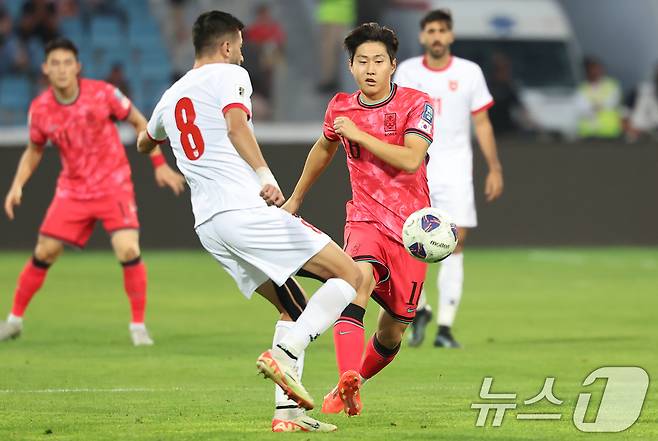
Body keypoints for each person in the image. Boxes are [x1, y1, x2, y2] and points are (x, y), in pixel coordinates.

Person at [136, 10, 362, 432]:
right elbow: (237, 126)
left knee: (293, 307)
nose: (243, 54)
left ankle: (287, 415)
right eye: (239, 45)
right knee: (351, 275)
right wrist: (265, 177)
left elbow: (144, 140)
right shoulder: (229, 77)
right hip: (245, 210)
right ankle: (284, 353)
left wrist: (166, 150)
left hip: (210, 226)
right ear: (225, 46)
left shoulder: (172, 95)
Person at [282, 22, 435, 416]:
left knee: (394, 329)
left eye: (378, 61)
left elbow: (411, 158)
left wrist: (360, 135)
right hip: (365, 220)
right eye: (362, 61)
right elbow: (323, 148)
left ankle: (348, 385)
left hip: (411, 230)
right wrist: (295, 197)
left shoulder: (417, 103)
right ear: (350, 66)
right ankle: (348, 374)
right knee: (357, 280)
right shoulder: (340, 106)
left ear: (393, 66)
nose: (370, 68)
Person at [0, 38, 186, 346]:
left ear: (77, 67)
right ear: (46, 69)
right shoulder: (41, 109)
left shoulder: (102, 94)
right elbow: (34, 150)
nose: (61, 69)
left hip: (113, 184)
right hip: (72, 189)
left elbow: (140, 121)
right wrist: (17, 184)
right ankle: (14, 321)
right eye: (55, 64)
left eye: (67, 63)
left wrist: (158, 164)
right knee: (45, 251)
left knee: (127, 249)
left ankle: (138, 326)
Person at [394, 9, 504, 348]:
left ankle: (444, 327)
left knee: (456, 243)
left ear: (451, 36)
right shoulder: (408, 72)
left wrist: (494, 167)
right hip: (416, 167)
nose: (437, 36)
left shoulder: (469, 73)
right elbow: (395, 118)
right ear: (423, 36)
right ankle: (421, 307)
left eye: (442, 30)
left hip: (456, 169)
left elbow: (482, 123)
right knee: (407, 243)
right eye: (431, 30)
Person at [575, 57, 623, 139]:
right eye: (592, 69)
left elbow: (612, 102)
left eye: (597, 68)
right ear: (587, 71)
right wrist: (597, 106)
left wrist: (594, 106)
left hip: (610, 133)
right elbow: (581, 108)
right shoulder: (581, 88)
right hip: (588, 134)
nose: (595, 71)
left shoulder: (612, 85)